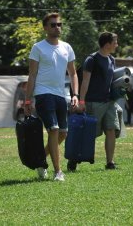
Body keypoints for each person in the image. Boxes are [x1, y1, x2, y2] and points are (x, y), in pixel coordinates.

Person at [24, 12, 79, 181]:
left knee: (63, 133)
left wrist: (75, 95)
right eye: (54, 25)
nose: (57, 27)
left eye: (59, 24)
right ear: (45, 28)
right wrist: (28, 99)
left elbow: (73, 73)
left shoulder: (67, 47)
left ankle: (40, 160)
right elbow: (32, 75)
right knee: (53, 130)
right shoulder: (38, 47)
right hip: (43, 93)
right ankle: (58, 172)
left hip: (60, 95)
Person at [75, 32, 121, 170]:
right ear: (107, 44)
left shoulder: (112, 59)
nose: (117, 45)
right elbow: (85, 82)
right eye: (115, 42)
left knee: (111, 129)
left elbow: (112, 81)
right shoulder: (92, 59)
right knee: (89, 134)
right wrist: (81, 102)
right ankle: (74, 158)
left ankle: (110, 162)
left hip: (109, 102)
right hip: (93, 102)